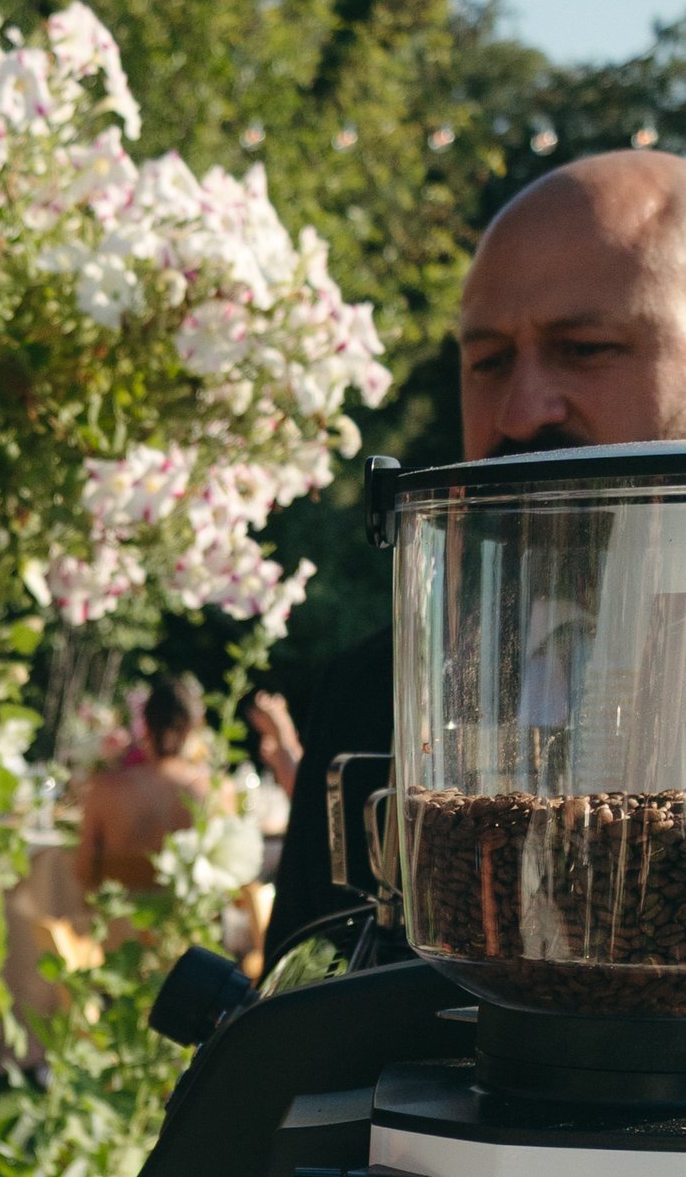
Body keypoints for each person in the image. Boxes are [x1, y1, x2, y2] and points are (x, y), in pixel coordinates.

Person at [267, 146, 686, 961]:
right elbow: (305, 1002)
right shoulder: (370, 694)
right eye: (489, 362)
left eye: (585, 347)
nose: (523, 412)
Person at [75, 671, 212, 891]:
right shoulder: (213, 790)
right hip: (180, 911)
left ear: (145, 725)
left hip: (117, 910)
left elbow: (83, 870)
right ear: (191, 729)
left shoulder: (105, 789)